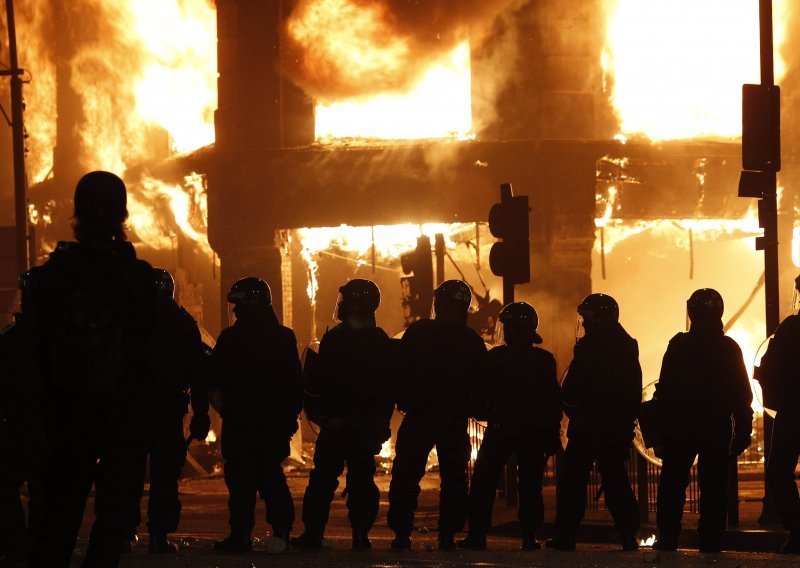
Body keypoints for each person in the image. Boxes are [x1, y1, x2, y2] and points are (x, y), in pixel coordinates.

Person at [29, 171, 157, 568]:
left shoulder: (49, 278)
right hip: (123, 417)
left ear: (76, 216)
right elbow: (151, 353)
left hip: (66, 416)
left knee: (60, 515)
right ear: (123, 217)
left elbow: (31, 351)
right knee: (114, 518)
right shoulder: (138, 278)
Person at [292, 279, 395, 550]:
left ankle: (314, 533)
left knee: (322, 480)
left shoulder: (335, 339)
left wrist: (324, 414)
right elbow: (389, 386)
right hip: (364, 426)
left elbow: (320, 381)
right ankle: (361, 535)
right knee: (362, 481)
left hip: (337, 425)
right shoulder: (381, 341)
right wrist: (379, 422)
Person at [388, 280, 487, 550]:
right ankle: (447, 535)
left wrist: (403, 399)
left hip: (420, 415)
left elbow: (399, 372)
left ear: (438, 305)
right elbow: (481, 385)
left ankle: (401, 533)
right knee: (454, 480)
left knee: (406, 476)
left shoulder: (418, 332)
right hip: (453, 419)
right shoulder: (472, 341)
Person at [651, 289, 752, 553]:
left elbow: (665, 392)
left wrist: (660, 430)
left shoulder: (679, 345)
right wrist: (743, 429)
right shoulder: (729, 347)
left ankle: (669, 536)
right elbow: (742, 394)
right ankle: (711, 539)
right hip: (716, 427)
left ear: (692, 312)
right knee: (715, 486)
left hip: (680, 427)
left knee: (672, 483)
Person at [458, 302, 562, 551]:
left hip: (501, 428)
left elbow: (481, 392)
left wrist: (478, 409)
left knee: (484, 481)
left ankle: (477, 534)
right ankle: (528, 535)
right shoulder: (544, 360)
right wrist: (550, 433)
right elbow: (552, 400)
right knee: (530, 485)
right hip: (533, 431)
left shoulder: (496, 358)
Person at [210, 277, 302, 553]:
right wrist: (288, 421)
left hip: (240, 423)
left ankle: (240, 535)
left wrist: (223, 408)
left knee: (241, 484)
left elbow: (214, 378)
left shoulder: (230, 339)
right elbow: (294, 385)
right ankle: (281, 531)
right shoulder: (284, 337)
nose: (235, 311)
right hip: (271, 425)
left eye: (238, 306)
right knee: (271, 478)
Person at [547, 293, 641, 551]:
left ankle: (566, 535)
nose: (584, 324)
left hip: (588, 425)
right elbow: (632, 393)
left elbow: (574, 388)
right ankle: (627, 532)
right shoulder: (626, 346)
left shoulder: (589, 349)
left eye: (587, 319)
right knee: (615, 479)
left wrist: (568, 403)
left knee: (573, 481)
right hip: (614, 426)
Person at [125, 269, 210, 553]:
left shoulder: (128, 322)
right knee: (164, 477)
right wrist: (201, 414)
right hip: (166, 413)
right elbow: (199, 374)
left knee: (129, 476)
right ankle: (159, 537)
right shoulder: (182, 323)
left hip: (132, 412)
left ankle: (123, 534)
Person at [0, 268, 47, 564]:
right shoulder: (65, 343)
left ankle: (19, 544)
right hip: (44, 428)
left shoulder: (12, 342)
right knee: (45, 491)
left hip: (20, 427)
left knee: (6, 485)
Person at [763, 275, 800, 554]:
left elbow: (768, 367)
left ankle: (797, 530)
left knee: (779, 472)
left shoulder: (791, 328)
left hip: (793, 411)